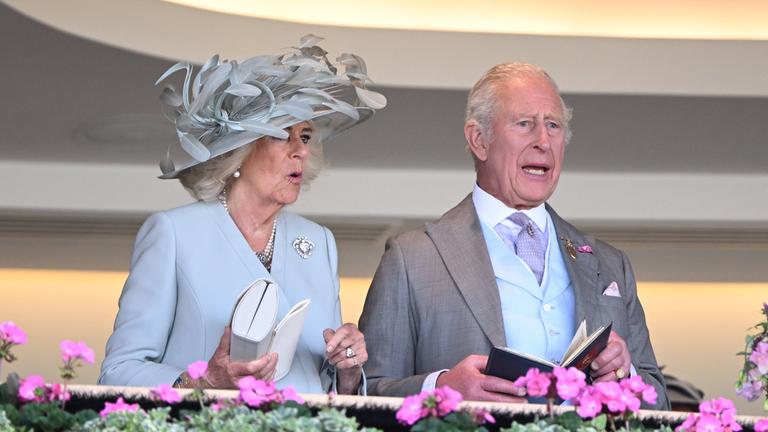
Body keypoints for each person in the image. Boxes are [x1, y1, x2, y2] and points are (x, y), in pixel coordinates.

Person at [358, 62, 669, 408]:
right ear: (479, 140)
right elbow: (364, 393)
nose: (544, 141)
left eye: (554, 125)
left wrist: (625, 376)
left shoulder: (612, 265)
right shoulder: (412, 258)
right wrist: (441, 389)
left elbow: (660, 404)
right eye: (525, 124)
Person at [99, 35, 386, 394]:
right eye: (284, 134)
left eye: (307, 136)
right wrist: (202, 382)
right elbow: (119, 370)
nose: (301, 151)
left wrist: (347, 369)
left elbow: (322, 382)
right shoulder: (174, 233)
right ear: (240, 147)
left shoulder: (318, 241)